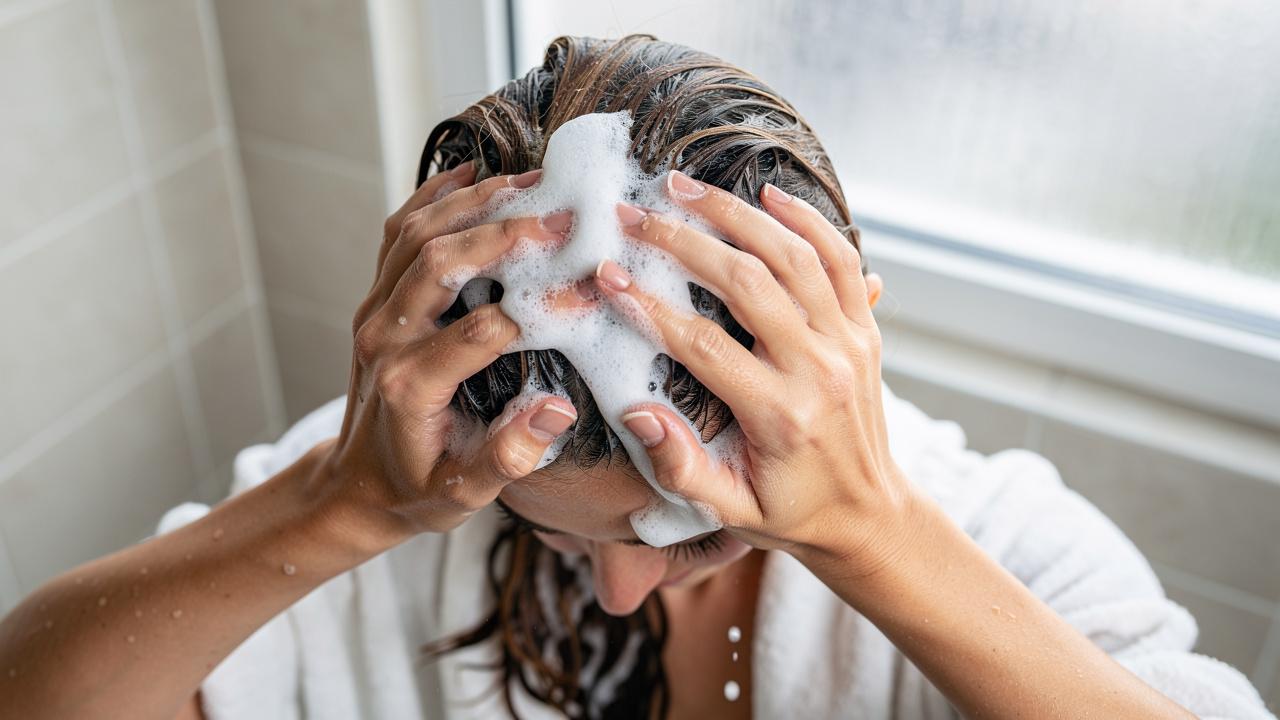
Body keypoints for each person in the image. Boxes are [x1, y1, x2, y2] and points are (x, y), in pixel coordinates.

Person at [0, 35, 1273, 720]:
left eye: (691, 531)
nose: (616, 596)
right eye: (547, 531)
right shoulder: (407, 477)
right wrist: (338, 505)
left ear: (839, 360)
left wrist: (875, 539)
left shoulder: (995, 548)